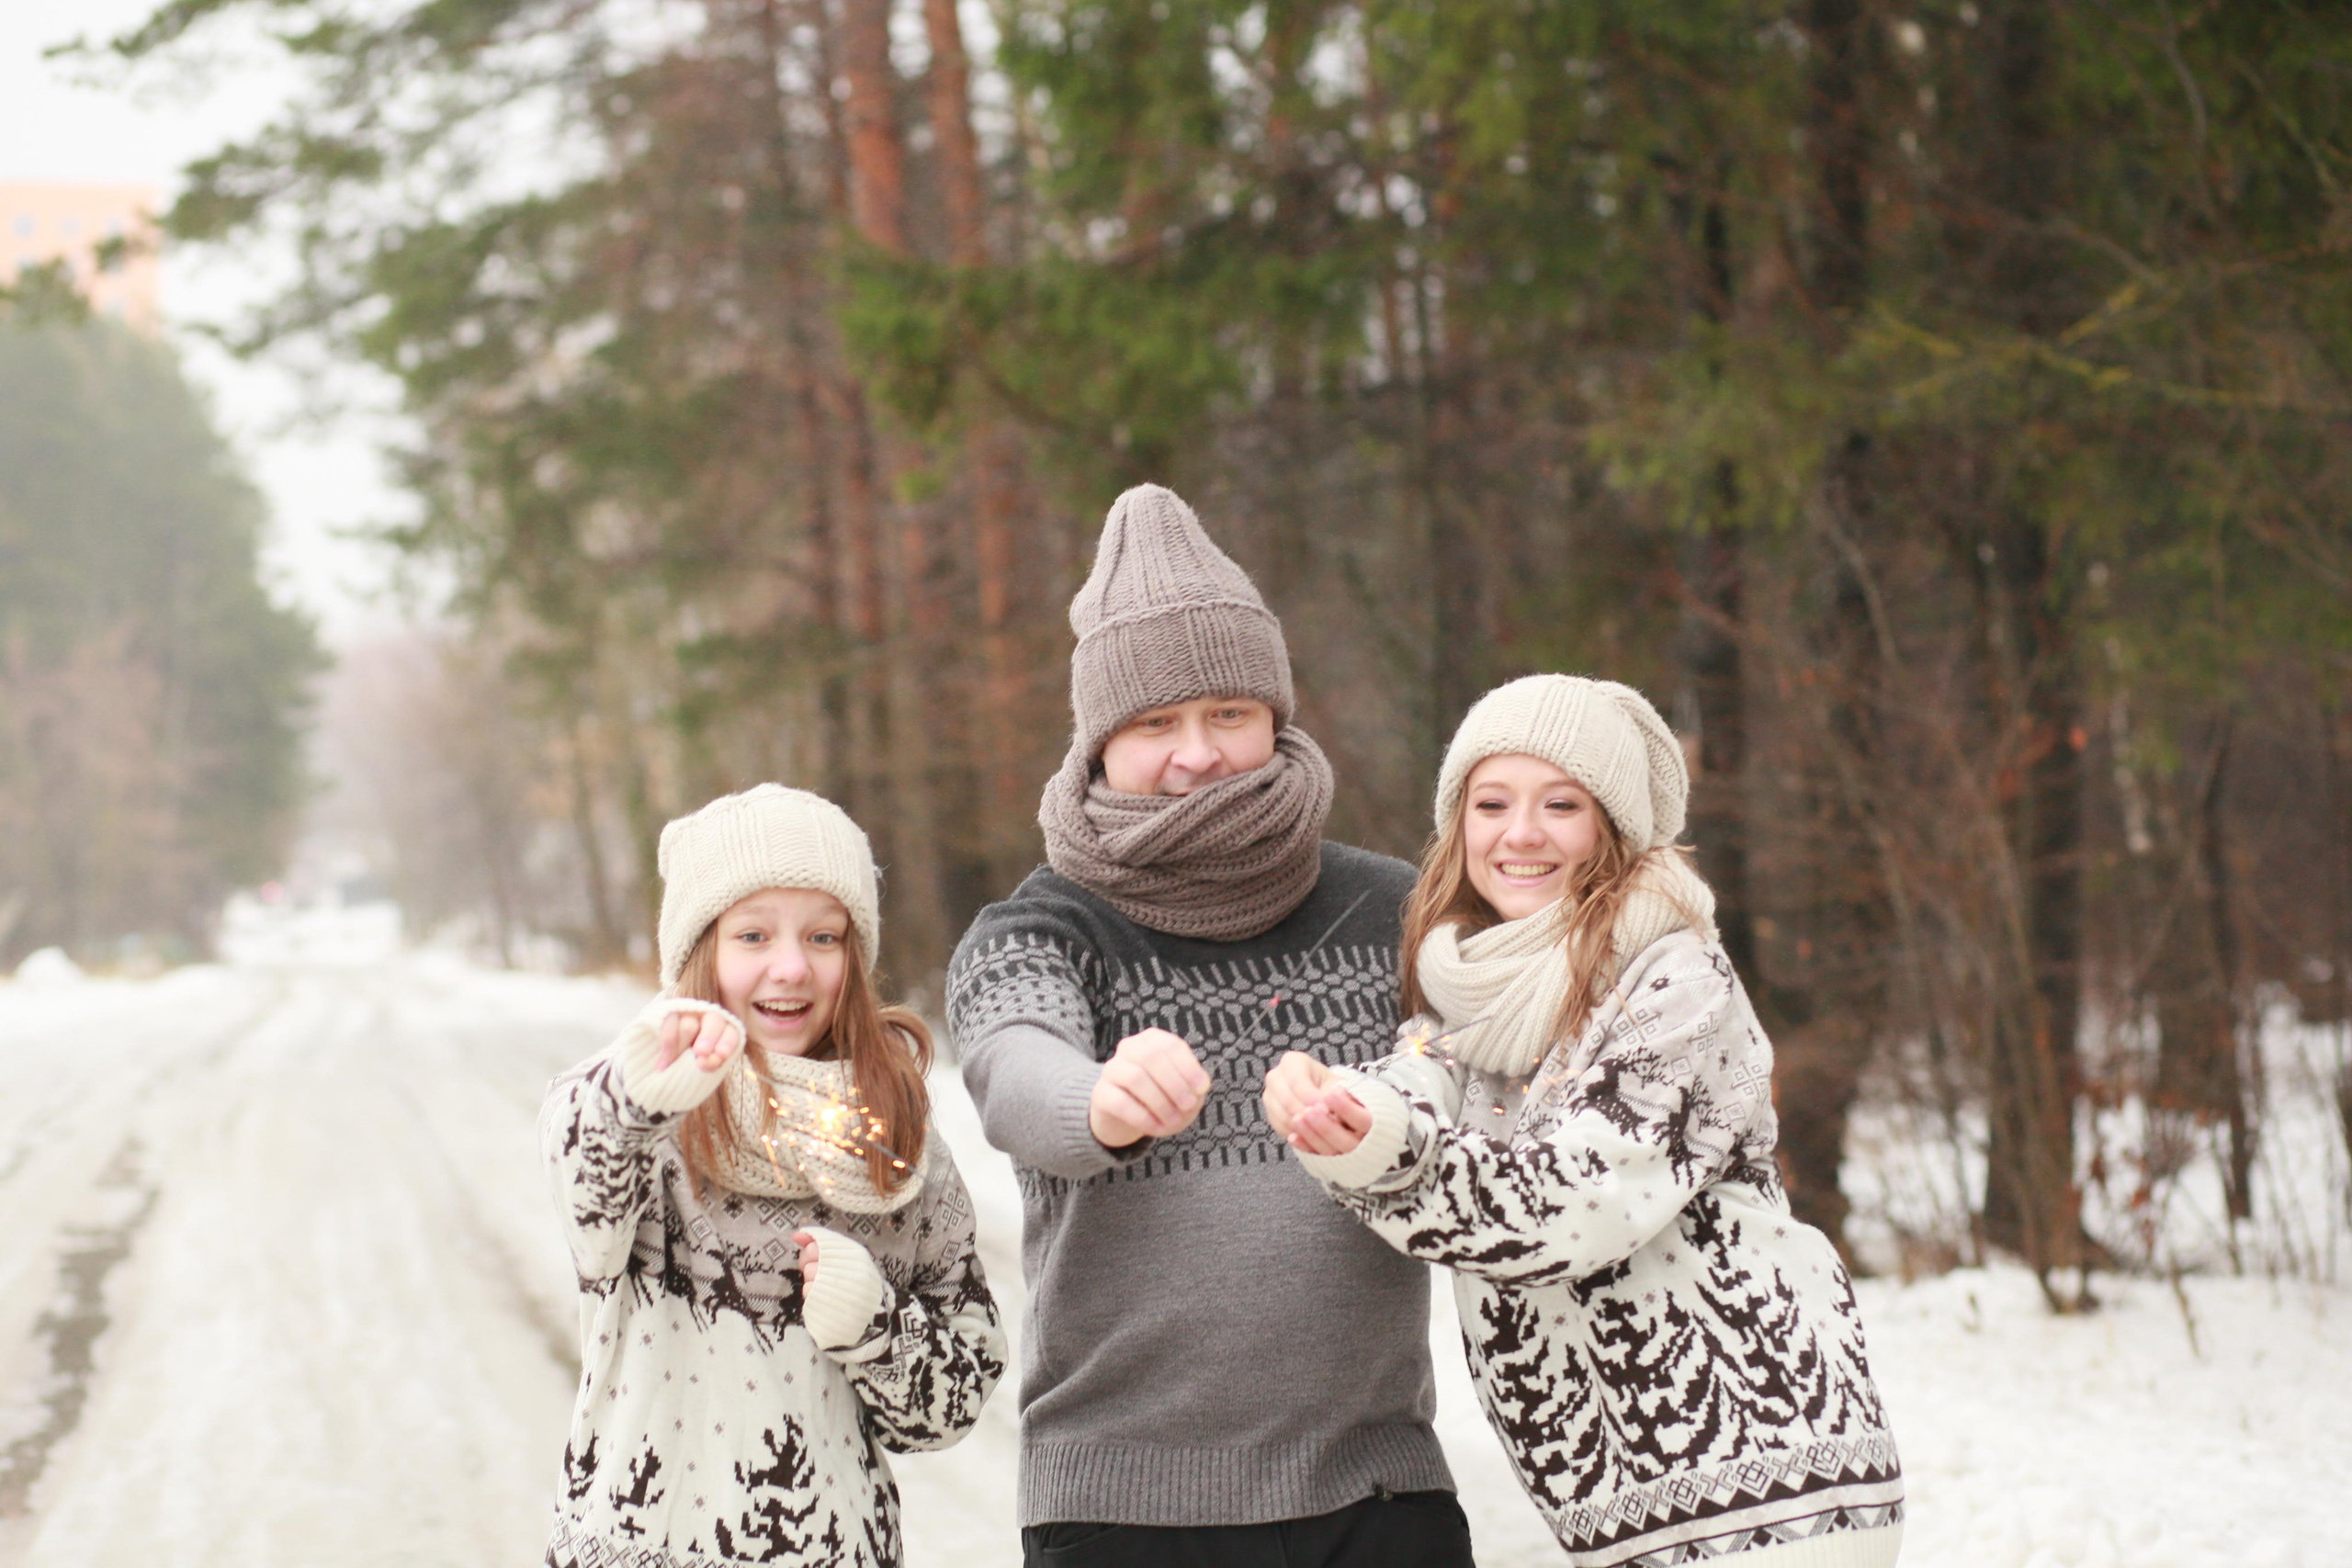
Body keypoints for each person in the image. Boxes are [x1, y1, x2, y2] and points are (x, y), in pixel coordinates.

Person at [1265, 674, 1905, 1568]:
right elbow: (1415, 1082)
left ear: (1612, 826)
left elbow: (1572, 1205)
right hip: (1631, 1517)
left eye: (1560, 804)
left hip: (1773, 1491)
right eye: (1492, 803)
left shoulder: (1674, 981)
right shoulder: (1476, 1004)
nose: (1520, 832)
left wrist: (1385, 1152)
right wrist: (1338, 1107)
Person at [947, 484, 1472, 1567]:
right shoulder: (1040, 928)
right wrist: (1097, 1098)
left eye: (1227, 713)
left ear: (1275, 717)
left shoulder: (1393, 909)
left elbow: (1483, 1053)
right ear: (1099, 742)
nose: (1198, 754)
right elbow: (1010, 1065)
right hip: (1124, 1510)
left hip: (1379, 1492)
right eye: (1155, 724)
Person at [540, 784, 1004, 1568]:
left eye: (823, 936)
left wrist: (877, 1325)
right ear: (701, 953)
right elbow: (584, 1180)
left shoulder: (893, 1141)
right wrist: (632, 1096)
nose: (790, 967)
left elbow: (951, 1405)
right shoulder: (643, 1114)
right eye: (752, 935)